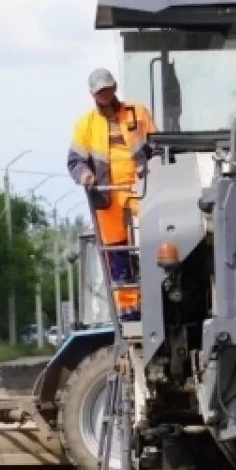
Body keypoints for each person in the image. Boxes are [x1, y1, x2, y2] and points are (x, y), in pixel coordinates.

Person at [67, 67, 157, 321]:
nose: (105, 94)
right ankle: (128, 308)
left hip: (142, 188)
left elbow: (156, 145)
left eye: (108, 89)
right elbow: (74, 162)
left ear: (115, 87)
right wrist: (85, 175)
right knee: (116, 251)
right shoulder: (85, 124)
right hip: (107, 196)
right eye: (100, 91)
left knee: (153, 239)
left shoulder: (137, 112)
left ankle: (158, 297)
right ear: (92, 94)